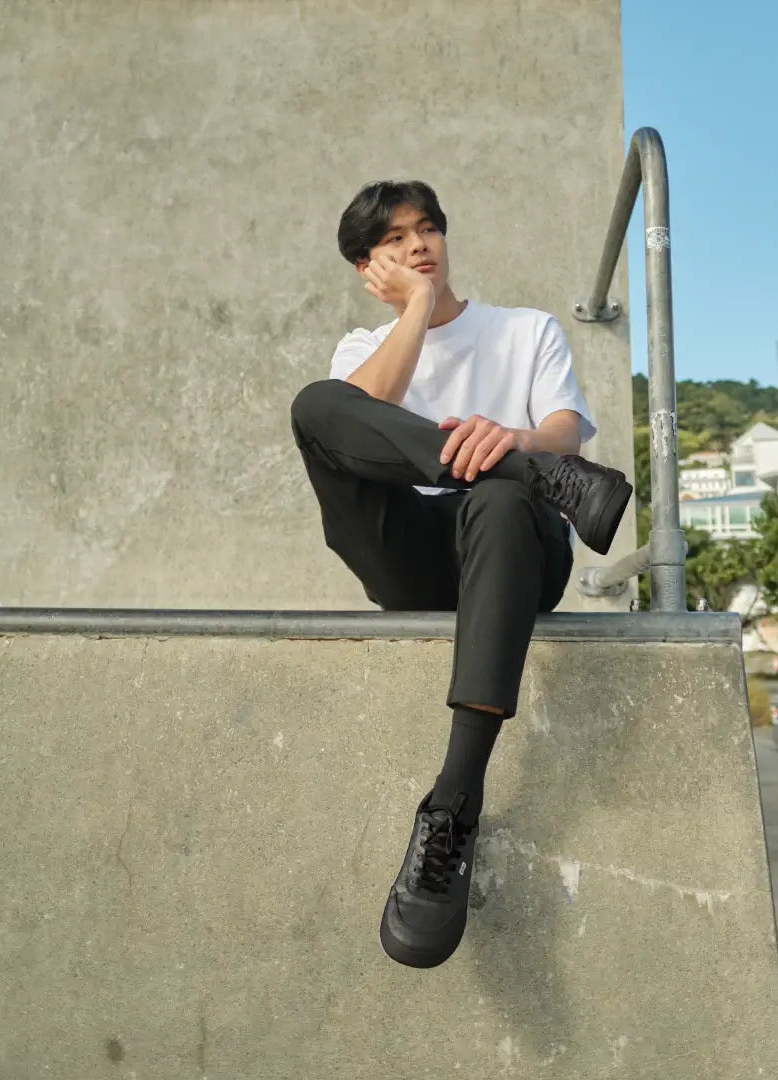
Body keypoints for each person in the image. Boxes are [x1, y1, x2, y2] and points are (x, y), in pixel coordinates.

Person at [290, 181, 631, 969]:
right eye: (397, 240)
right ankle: (519, 475)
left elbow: (563, 431)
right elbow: (356, 412)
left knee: (505, 505)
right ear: (368, 267)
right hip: (411, 552)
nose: (420, 247)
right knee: (320, 407)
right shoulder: (359, 350)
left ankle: (453, 802)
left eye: (429, 230)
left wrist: (514, 442)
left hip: (515, 549)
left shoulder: (525, 331)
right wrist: (416, 312)